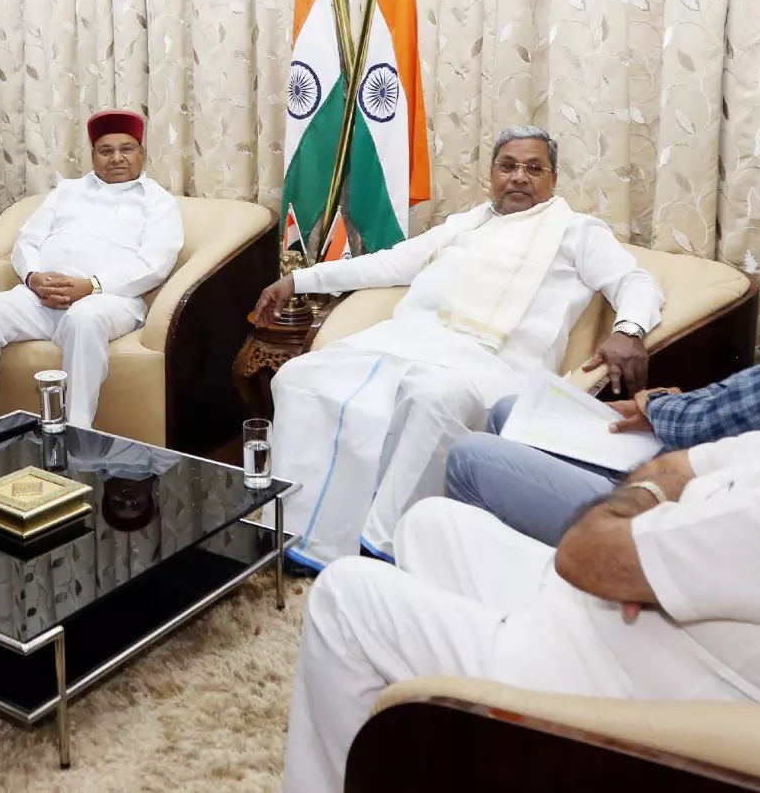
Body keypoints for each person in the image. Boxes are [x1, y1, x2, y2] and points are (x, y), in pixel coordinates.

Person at [282, 246, 760, 793]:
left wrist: (629, 544)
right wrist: (641, 526)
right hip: (627, 626)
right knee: (433, 523)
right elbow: (675, 468)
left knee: (347, 595)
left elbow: (587, 553)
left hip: (620, 691)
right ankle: (429, 754)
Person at [446, 148, 760, 545]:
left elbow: (725, 421)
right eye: (506, 166)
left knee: (471, 457)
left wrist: (662, 408)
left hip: (688, 499)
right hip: (695, 460)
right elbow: (749, 408)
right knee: (513, 412)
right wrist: (670, 405)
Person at [255, 126, 663, 569]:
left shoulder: (577, 231)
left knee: (434, 397)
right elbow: (391, 262)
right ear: (492, 174)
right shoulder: (465, 224)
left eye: (533, 168)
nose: (519, 177)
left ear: (553, 178)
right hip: (408, 343)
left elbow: (634, 281)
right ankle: (294, 536)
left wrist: (630, 329)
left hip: (490, 365)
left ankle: (383, 551)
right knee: (299, 377)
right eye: (508, 166)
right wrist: (299, 279)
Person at [0, 109, 183, 428]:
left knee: (83, 318)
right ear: (93, 156)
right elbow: (26, 241)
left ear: (141, 154)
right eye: (106, 150)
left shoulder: (158, 202)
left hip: (110, 301)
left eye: (126, 149)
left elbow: (156, 264)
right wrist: (34, 278)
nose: (117, 157)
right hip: (41, 299)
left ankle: (76, 431)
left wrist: (90, 286)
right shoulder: (66, 192)